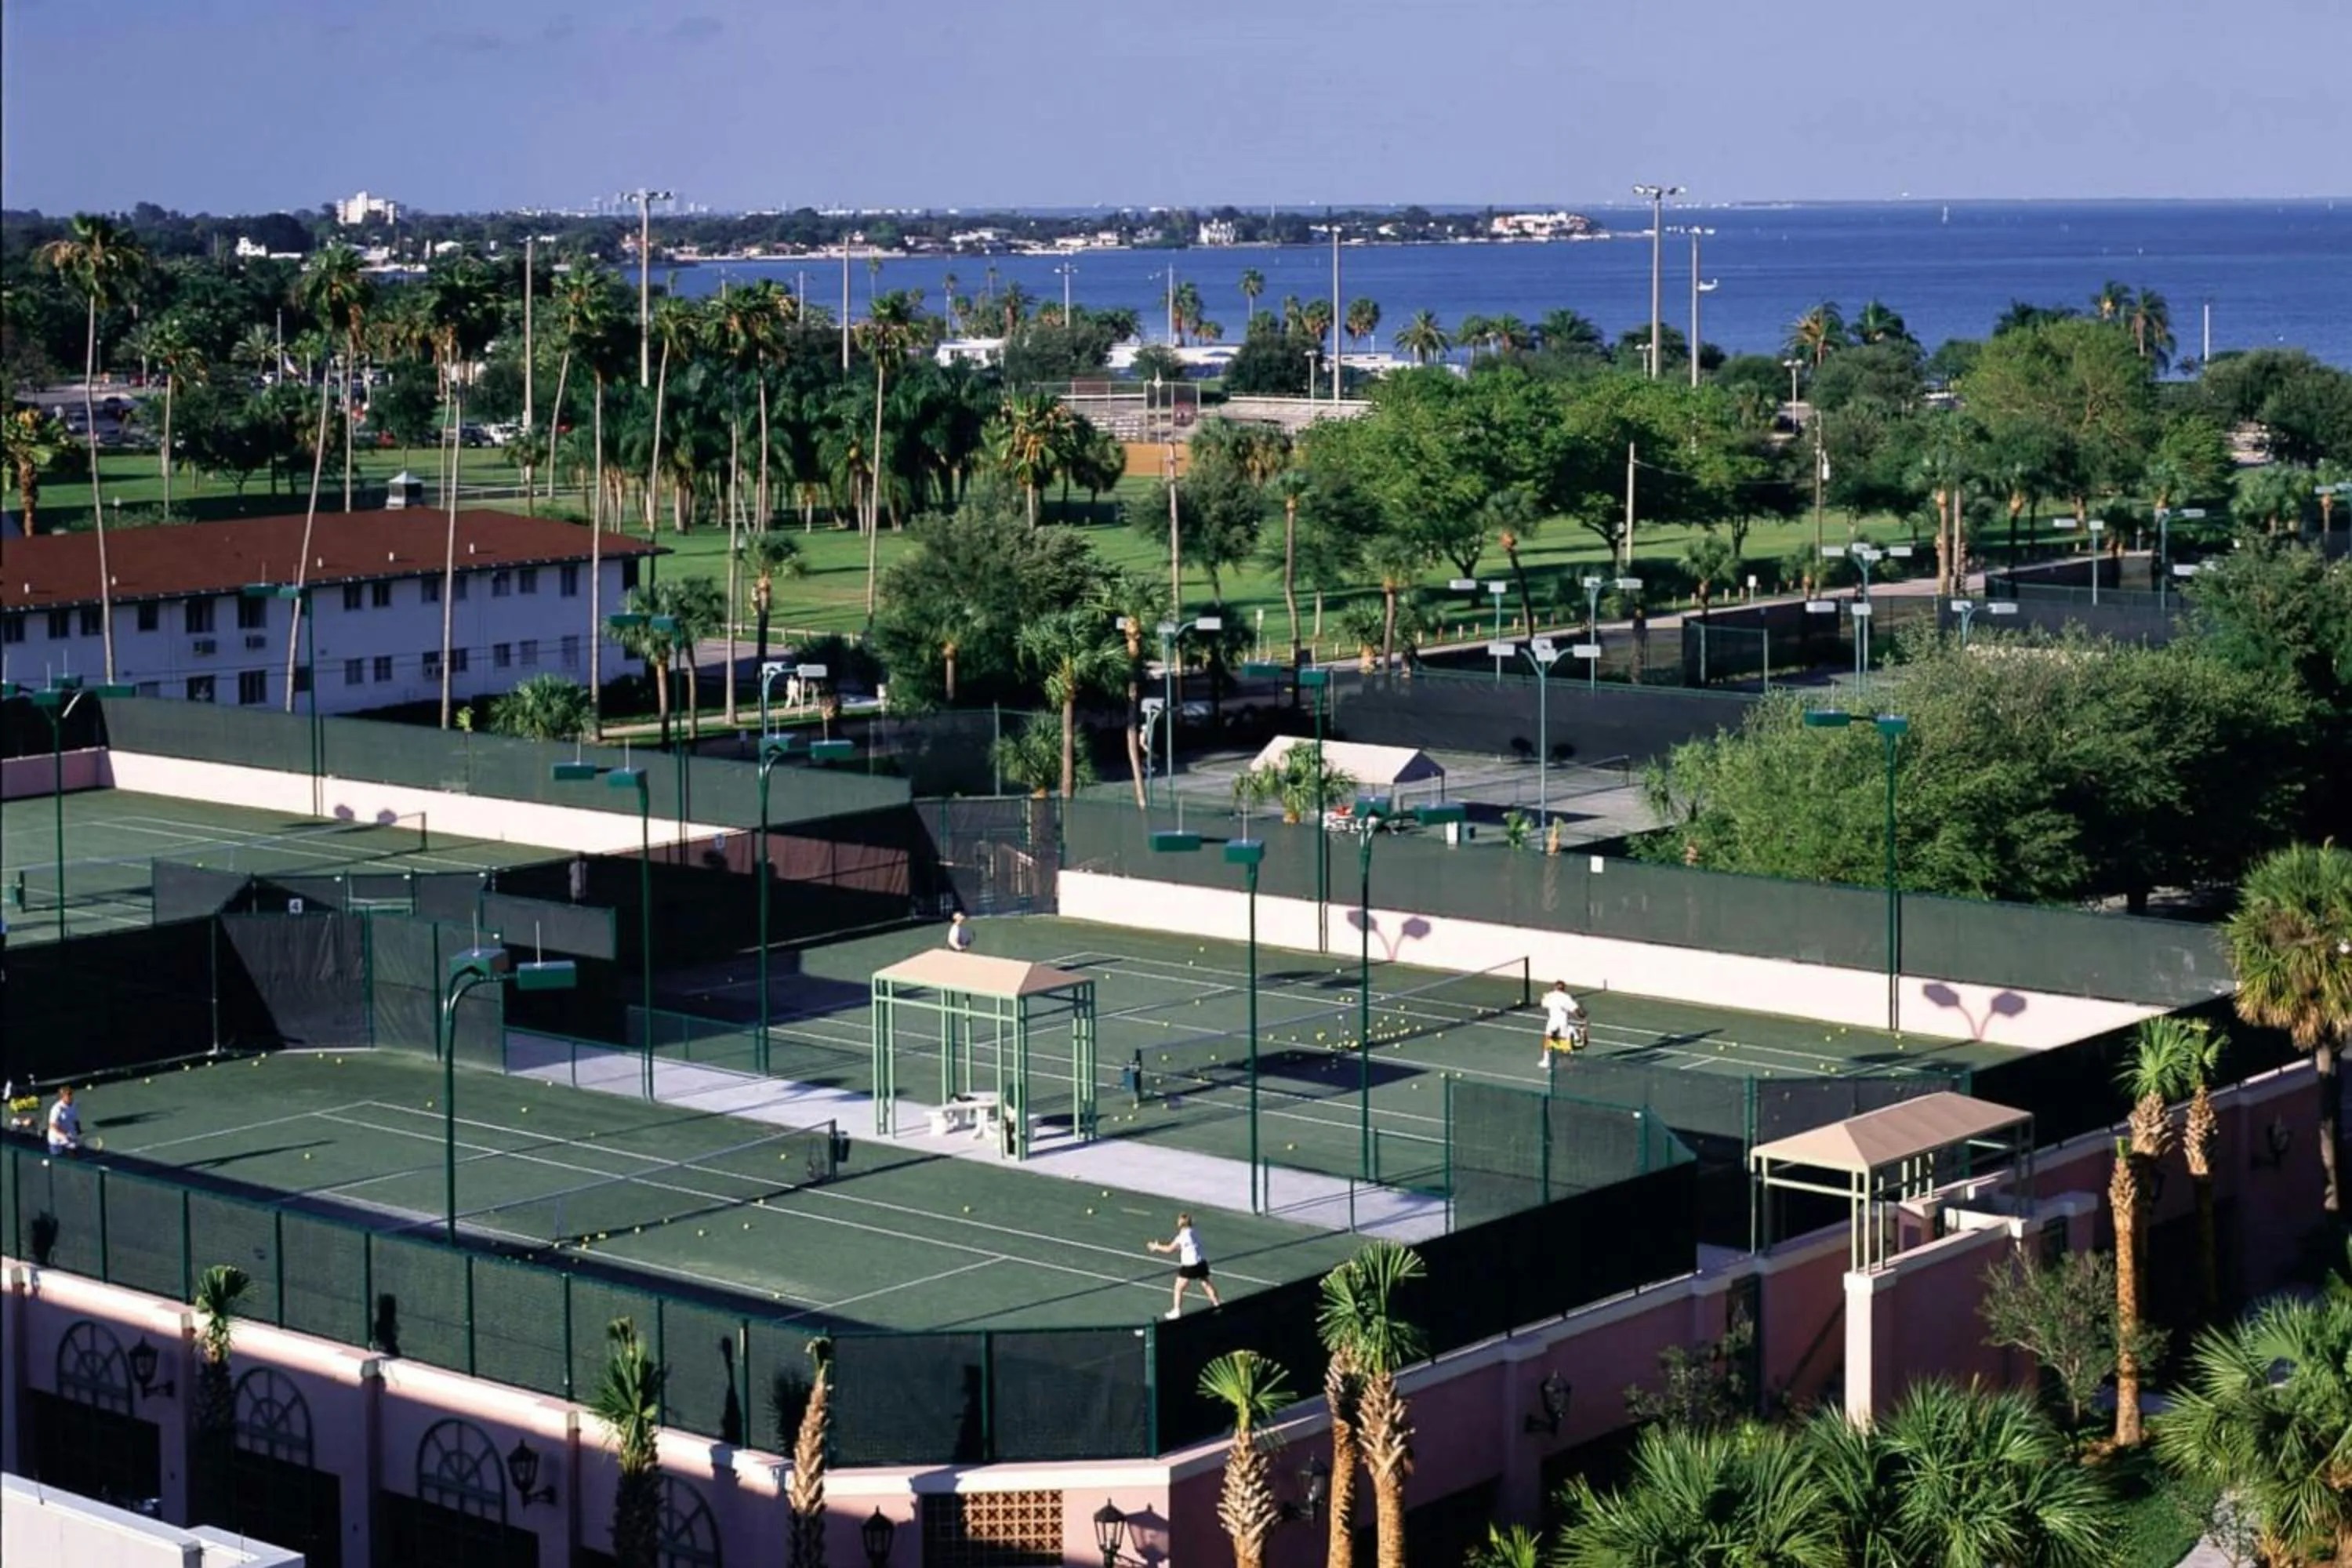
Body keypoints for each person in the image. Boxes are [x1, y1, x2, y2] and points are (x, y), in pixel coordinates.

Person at [1147, 1212, 1220, 1318]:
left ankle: (1177, 1311)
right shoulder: (1195, 1232)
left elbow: (1169, 1249)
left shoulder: (1181, 1237)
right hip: (1201, 1262)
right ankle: (1217, 1305)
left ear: (1181, 1224)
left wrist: (1156, 1247)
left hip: (1189, 1265)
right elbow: (1186, 1246)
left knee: (1178, 1287)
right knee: (1206, 1284)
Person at [1540, 981, 1587, 1066]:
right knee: (1564, 1041)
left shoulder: (1550, 995)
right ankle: (1567, 1060)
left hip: (1553, 1022)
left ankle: (1546, 1061)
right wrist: (1582, 1016)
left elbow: (1543, 1004)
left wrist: (1544, 997)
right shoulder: (1566, 997)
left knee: (1547, 1039)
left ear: (1555, 987)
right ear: (1564, 988)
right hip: (1563, 1023)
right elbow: (1575, 1010)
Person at [45, 1085, 82, 1156]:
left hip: (70, 1138)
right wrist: (64, 1135)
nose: (71, 1096)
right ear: (62, 1097)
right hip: (56, 1140)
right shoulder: (56, 1109)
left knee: (74, 1158)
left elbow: (75, 1119)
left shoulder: (74, 1105)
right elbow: (52, 1126)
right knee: (57, 1161)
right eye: (68, 1095)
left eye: (71, 1094)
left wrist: (78, 1129)